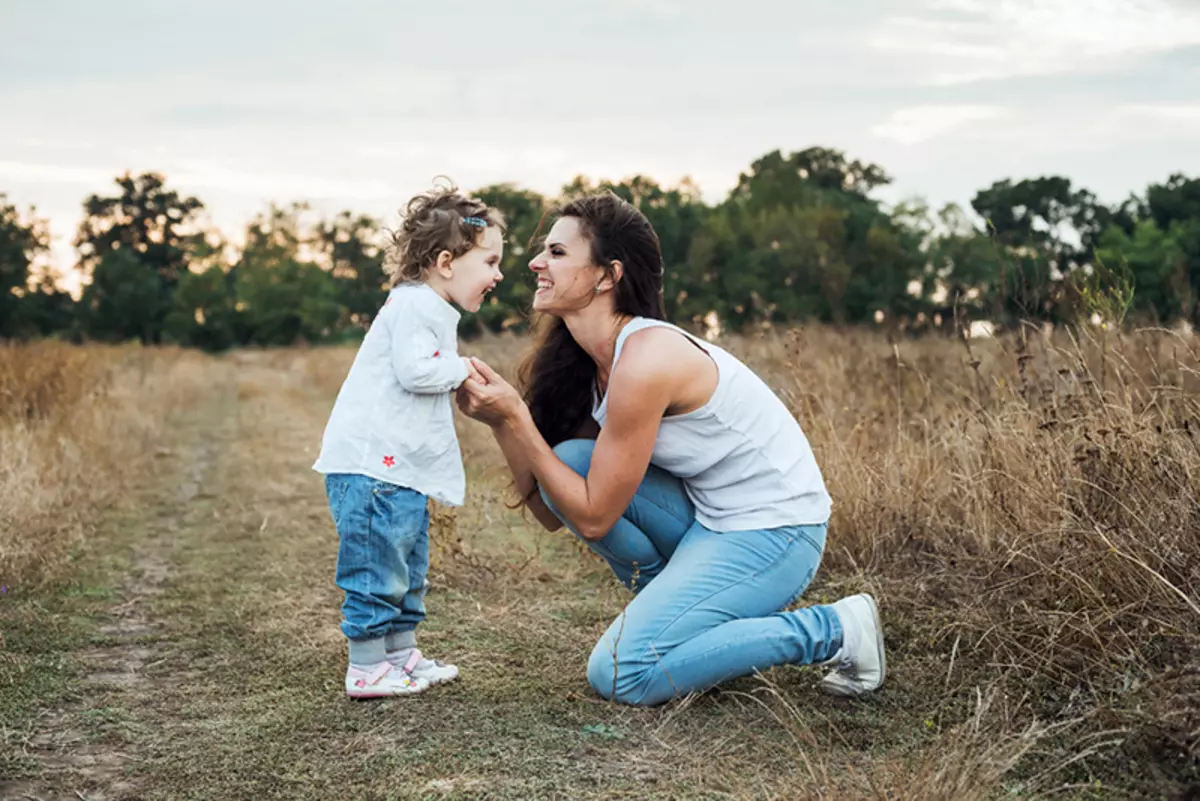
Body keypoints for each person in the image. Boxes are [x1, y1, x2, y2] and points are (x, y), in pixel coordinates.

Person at [456, 191, 884, 706]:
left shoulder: (647, 358)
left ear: (608, 276)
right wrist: (504, 424)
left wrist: (517, 418)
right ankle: (687, 623)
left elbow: (593, 520)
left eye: (558, 252)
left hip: (777, 532)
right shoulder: (591, 366)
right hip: (710, 521)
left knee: (620, 674)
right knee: (570, 460)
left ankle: (832, 628)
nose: (535, 262)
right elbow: (555, 509)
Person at [313, 183, 504, 699]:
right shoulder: (415, 305)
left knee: (405, 564)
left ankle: (400, 655)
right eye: (489, 261)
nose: (498, 274)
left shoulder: (430, 307)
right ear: (447, 261)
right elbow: (416, 371)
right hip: (375, 468)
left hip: (395, 471)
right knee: (378, 565)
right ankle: (368, 668)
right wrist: (462, 368)